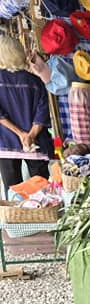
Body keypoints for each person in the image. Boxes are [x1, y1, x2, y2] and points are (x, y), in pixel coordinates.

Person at [0, 36, 54, 195]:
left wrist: (21, 134)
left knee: (13, 193)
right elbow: (43, 111)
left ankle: (18, 218)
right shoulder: (34, 81)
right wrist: (30, 135)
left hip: (6, 143)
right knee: (42, 191)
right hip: (35, 144)